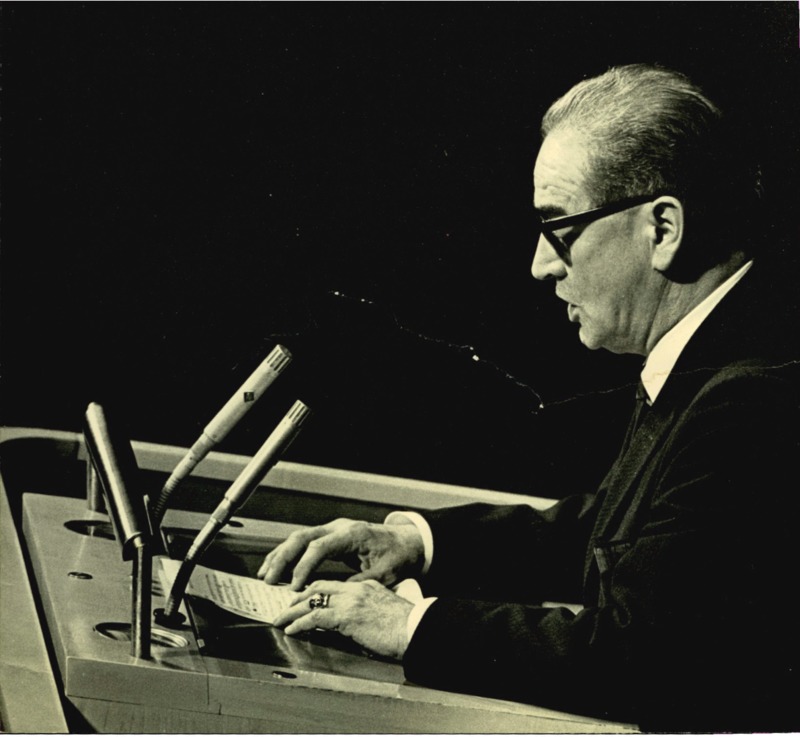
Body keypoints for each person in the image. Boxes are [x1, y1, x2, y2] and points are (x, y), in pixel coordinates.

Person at [259, 64, 800, 731]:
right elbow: (610, 536)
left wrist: (409, 624)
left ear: (663, 229)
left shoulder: (753, 397)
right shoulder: (712, 362)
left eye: (559, 226)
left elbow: (640, 654)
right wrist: (416, 541)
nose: (540, 265)